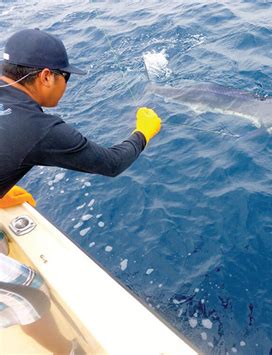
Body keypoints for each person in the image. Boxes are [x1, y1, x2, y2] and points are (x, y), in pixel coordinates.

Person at [0, 28, 161, 354]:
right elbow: (111, 163)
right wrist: (143, 133)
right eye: (65, 77)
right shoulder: (38, 127)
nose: (67, 85)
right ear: (46, 76)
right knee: (31, 291)